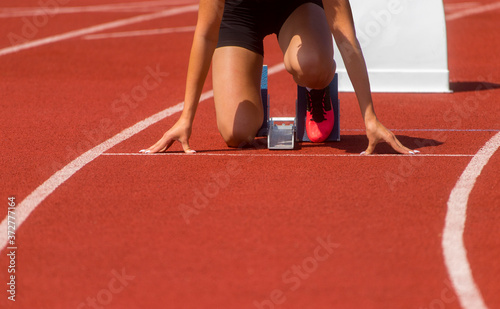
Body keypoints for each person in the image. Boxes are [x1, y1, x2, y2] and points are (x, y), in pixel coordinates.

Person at [141, 0, 418, 155]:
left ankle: (317, 88)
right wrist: (185, 119)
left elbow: (345, 36)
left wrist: (370, 117)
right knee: (236, 134)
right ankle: (251, 89)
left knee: (310, 64)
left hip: (297, 7)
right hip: (240, 14)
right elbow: (205, 33)